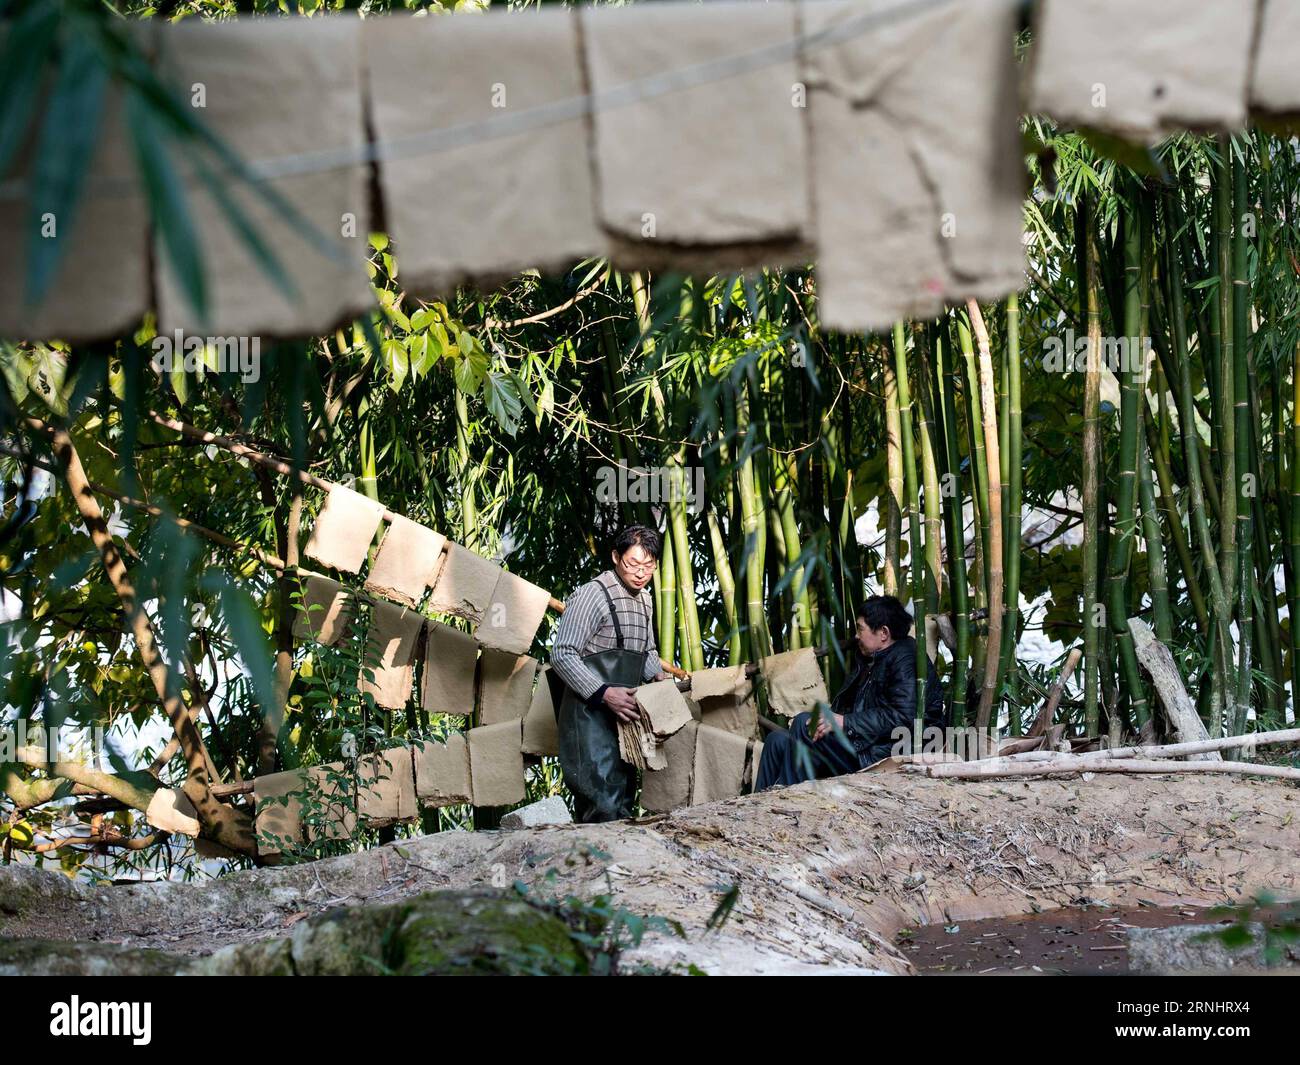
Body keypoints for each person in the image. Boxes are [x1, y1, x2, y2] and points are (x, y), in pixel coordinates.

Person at [755, 594, 944, 790]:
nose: (856, 635)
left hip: (885, 753)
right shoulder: (872, 658)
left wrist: (844, 722)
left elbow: (903, 717)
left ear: (883, 633)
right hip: (865, 743)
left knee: (804, 723)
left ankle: (790, 799)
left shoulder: (906, 659)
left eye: (860, 629)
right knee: (776, 741)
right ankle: (758, 810)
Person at [550, 526, 670, 822]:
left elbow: (647, 651)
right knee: (602, 803)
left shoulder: (646, 600)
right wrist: (604, 693)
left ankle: (621, 868)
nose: (641, 573)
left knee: (624, 800)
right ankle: (594, 867)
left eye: (648, 566)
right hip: (588, 718)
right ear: (616, 557)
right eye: (632, 564)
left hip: (625, 718)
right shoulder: (592, 595)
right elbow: (562, 653)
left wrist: (659, 679)